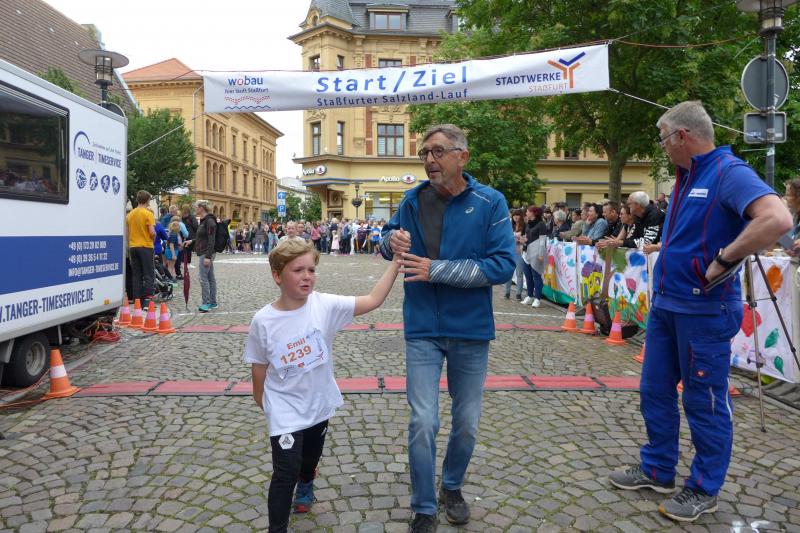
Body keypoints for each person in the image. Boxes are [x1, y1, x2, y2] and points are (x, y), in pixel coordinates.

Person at [608, 101, 792, 522]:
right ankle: (658, 468)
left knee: (704, 401)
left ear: (681, 136)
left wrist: (726, 259)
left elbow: (777, 218)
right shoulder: (686, 177)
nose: (662, 147)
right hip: (669, 305)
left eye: (663, 139)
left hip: (704, 310)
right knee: (655, 391)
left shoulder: (728, 172)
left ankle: (704, 488)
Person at [379, 124, 515, 532]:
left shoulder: (490, 201)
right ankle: (423, 507)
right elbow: (386, 240)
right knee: (423, 421)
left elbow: (502, 265)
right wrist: (391, 243)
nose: (429, 160)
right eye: (425, 153)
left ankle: (451, 486)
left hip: (470, 329)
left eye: (438, 151)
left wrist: (437, 270)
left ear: (462, 156)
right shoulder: (411, 199)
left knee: (467, 423)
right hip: (422, 326)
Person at [244, 239, 401, 533]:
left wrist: (397, 262)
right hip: (284, 410)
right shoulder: (263, 321)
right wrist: (263, 401)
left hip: (318, 405)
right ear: (277, 275)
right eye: (298, 270)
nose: (307, 277)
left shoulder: (325, 305)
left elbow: (373, 299)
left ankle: (307, 480)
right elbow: (258, 365)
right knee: (284, 473)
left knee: (309, 459)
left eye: (311, 270)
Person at [183, 200, 217, 313]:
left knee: (203, 278)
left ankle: (206, 303)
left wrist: (208, 256)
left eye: (196, 207)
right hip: (205, 252)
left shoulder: (209, 221)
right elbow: (203, 237)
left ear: (202, 208)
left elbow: (212, 240)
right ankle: (213, 302)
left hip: (206, 252)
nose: (195, 209)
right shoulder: (204, 220)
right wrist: (192, 241)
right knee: (210, 277)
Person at [125, 190, 156, 305]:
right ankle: (147, 301)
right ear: (147, 200)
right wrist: (153, 239)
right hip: (146, 246)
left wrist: (131, 243)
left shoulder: (130, 214)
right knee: (148, 274)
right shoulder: (148, 214)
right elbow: (152, 232)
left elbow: (127, 233)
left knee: (136, 275)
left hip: (133, 247)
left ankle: (137, 300)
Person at [521, 205, 547, 307]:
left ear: (533, 213)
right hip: (526, 252)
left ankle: (537, 298)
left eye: (528, 211)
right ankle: (530, 296)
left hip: (536, 253)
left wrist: (541, 254)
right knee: (528, 276)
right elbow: (526, 236)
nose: (526, 213)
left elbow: (542, 241)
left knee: (536, 276)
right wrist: (523, 240)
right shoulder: (528, 223)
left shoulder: (541, 224)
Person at [503, 209, 526, 301]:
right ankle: (507, 292)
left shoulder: (524, 226)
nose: (516, 217)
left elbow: (525, 239)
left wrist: (519, 240)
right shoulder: (509, 226)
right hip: (510, 251)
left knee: (519, 273)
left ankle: (518, 294)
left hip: (520, 252)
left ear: (521, 216)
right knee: (509, 272)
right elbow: (505, 237)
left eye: (517, 215)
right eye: (514, 215)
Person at [180, 205, 199, 277]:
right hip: (190, 235)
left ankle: (183, 263)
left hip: (183, 235)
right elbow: (196, 226)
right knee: (188, 249)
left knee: (185, 249)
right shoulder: (192, 217)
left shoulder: (182, 217)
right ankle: (188, 263)